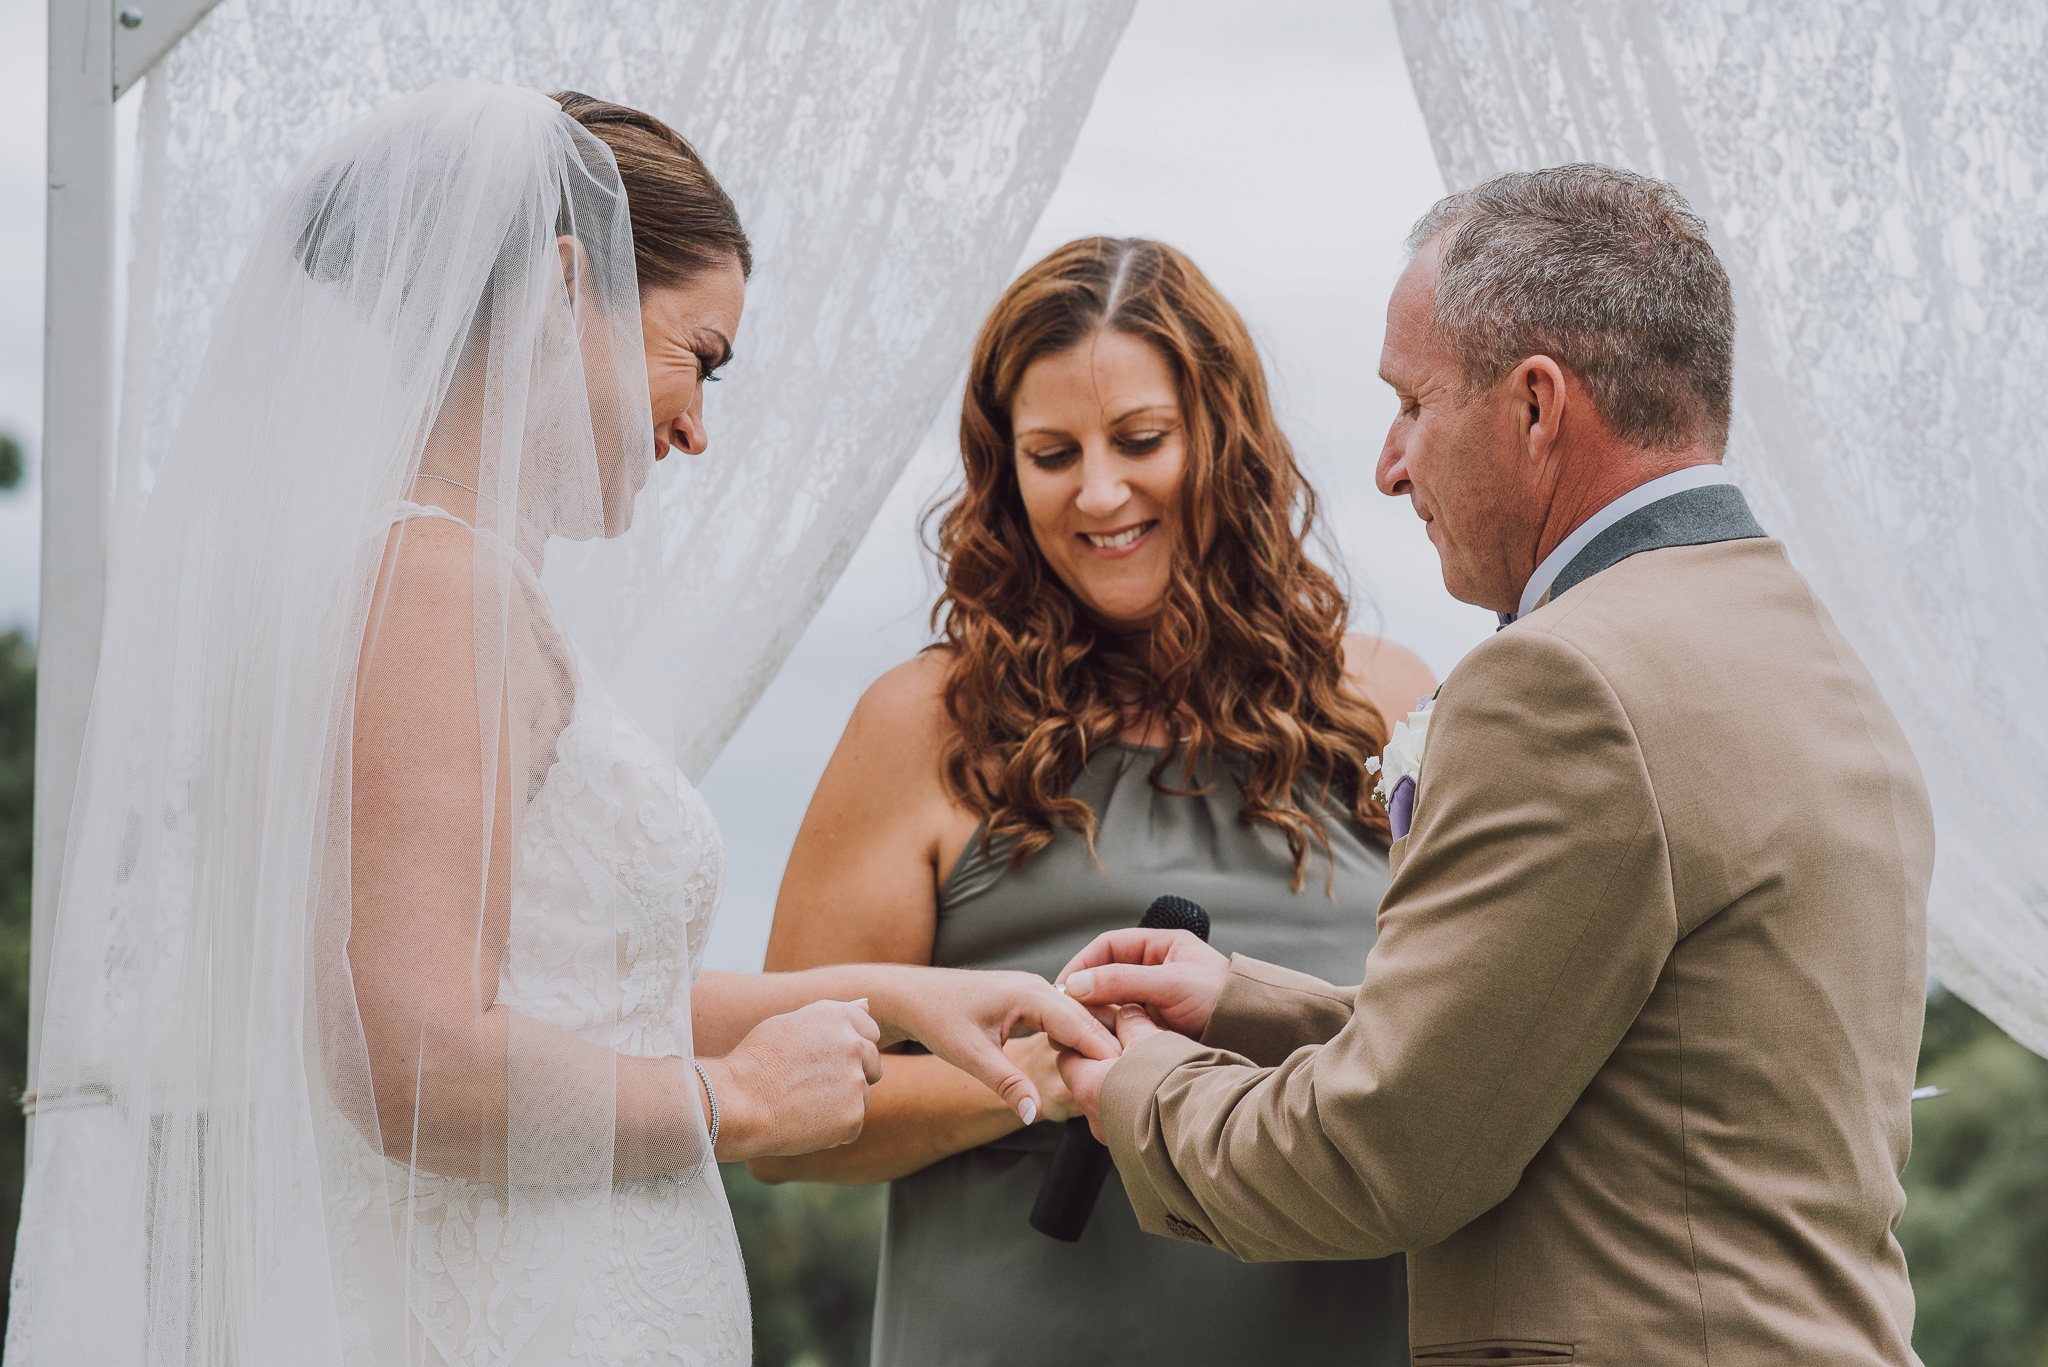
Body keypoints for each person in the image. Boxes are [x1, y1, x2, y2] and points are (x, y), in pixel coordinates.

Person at [8, 81, 1113, 1367]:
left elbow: (586, 991)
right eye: (695, 355)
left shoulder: (461, 584)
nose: (699, 425)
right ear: (558, 283)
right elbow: (407, 1056)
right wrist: (738, 1100)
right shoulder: (429, 590)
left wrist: (908, 992)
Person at [1055, 165, 1934, 1366]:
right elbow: (1617, 1067)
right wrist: (1243, 1005)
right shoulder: (1802, 646)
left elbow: (1379, 1155)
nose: (1387, 463)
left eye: (1410, 402)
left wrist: (1137, 1087)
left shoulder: (1563, 681)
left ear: (1533, 406)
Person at [751, 237, 1435, 1366]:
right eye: (1051, 452)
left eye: (1140, 440)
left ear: (1222, 436)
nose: (1100, 491)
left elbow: (1446, 1044)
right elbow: (784, 1128)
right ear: (1003, 471)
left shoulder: (1387, 700)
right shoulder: (921, 722)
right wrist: (1046, 1081)